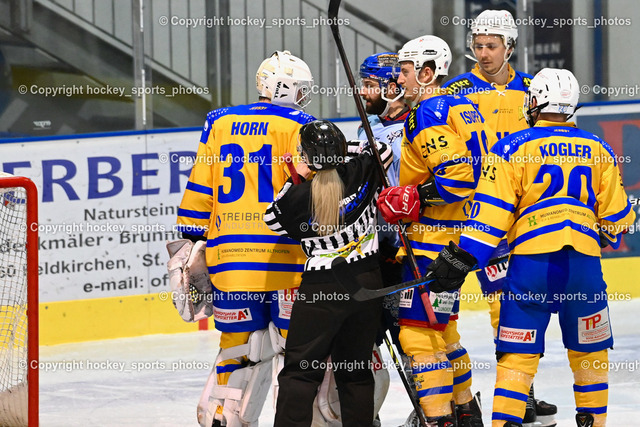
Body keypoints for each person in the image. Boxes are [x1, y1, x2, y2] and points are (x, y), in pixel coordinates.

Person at [424, 68, 636, 427]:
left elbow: (489, 217)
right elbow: (618, 219)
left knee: (517, 357)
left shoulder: (510, 147)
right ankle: (593, 421)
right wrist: (597, 231)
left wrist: (460, 257)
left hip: (531, 267)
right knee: (590, 353)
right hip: (583, 268)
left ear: (534, 102)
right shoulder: (598, 148)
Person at [173, 50, 315, 427]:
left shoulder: (219, 121)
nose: (304, 96)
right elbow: (312, 193)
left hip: (230, 260)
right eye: (300, 88)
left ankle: (224, 418)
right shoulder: (302, 125)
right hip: (286, 261)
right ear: (283, 88)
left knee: (238, 349)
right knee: (298, 355)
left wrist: (192, 238)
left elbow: (201, 185)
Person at [443, 10, 557, 425]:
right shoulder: (456, 91)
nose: (483, 53)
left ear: (509, 47)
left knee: (509, 308)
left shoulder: (532, 89)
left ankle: (520, 393)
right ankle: (450, 402)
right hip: (468, 217)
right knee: (439, 317)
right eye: (478, 46)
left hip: (516, 217)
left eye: (491, 46)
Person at [376, 35, 488, 426]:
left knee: (418, 335)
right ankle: (466, 412)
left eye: (405, 71)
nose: (399, 80)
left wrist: (412, 196)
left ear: (427, 73)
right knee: (444, 331)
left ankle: (439, 419)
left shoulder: (429, 111)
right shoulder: (465, 106)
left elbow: (457, 177)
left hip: (431, 242)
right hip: (457, 237)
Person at [264, 120, 392, 426]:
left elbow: (272, 219)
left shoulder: (298, 197)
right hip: (367, 281)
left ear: (307, 156)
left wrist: (298, 175)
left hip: (321, 288)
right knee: (355, 371)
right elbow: (382, 150)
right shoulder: (361, 169)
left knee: (300, 372)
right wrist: (341, 153)